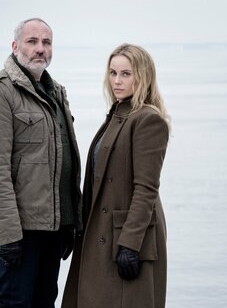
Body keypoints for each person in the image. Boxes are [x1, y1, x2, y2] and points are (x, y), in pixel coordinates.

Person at [0, 18, 82, 308]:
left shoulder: (55, 92)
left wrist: (70, 223)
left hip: (52, 229)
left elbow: (62, 160)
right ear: (15, 45)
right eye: (32, 42)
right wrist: (8, 237)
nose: (40, 49)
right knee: (14, 303)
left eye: (46, 43)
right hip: (20, 232)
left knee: (45, 302)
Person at [62, 43, 170, 308]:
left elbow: (146, 189)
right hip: (103, 235)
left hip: (127, 239)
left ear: (142, 76)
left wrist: (130, 245)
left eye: (126, 74)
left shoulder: (147, 120)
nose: (117, 81)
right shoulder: (118, 114)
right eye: (113, 73)